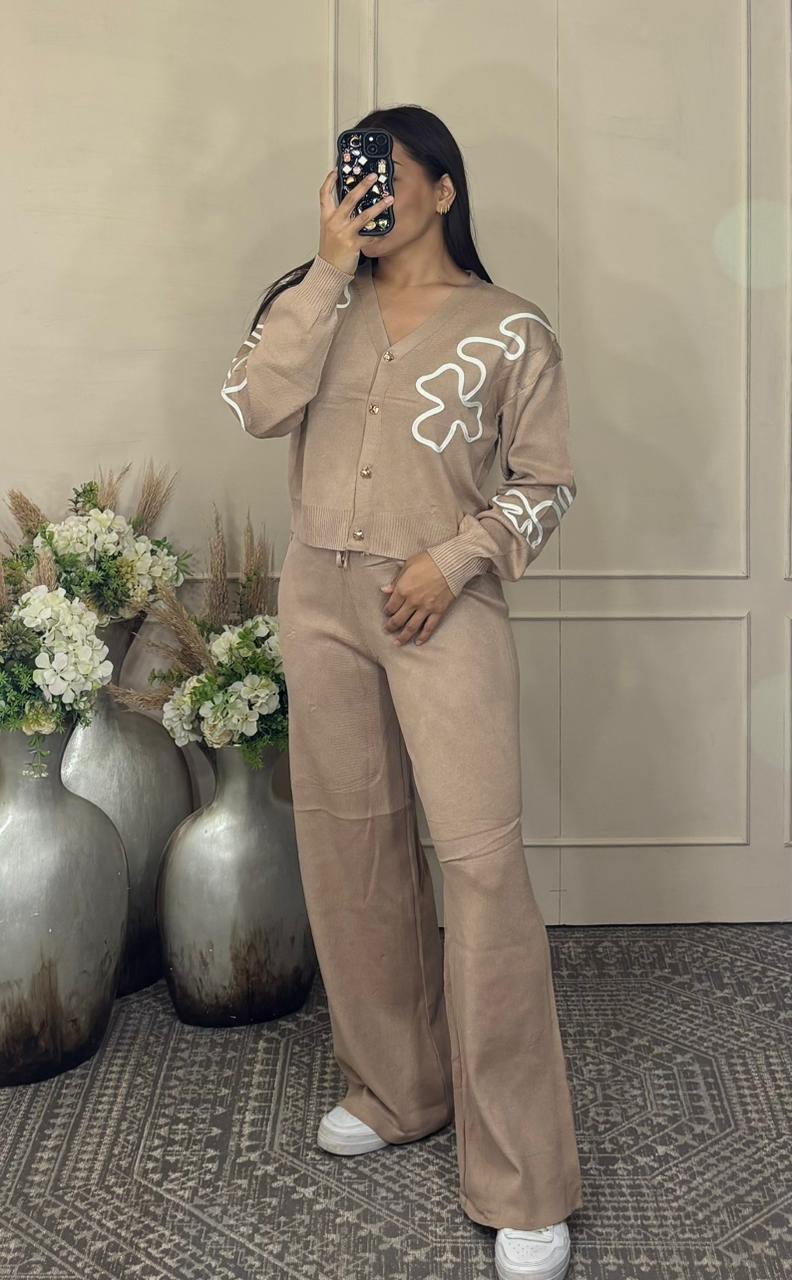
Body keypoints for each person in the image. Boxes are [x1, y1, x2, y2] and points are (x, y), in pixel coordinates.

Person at [221, 105, 581, 1280]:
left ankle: (524, 1177)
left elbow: (548, 483)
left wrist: (457, 558)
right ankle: (396, 1086)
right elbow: (254, 405)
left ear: (440, 188)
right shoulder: (315, 302)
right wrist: (327, 265)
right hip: (320, 598)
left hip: (441, 603)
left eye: (382, 177)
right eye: (347, 178)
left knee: (480, 867)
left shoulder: (512, 326)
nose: (363, 195)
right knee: (352, 850)